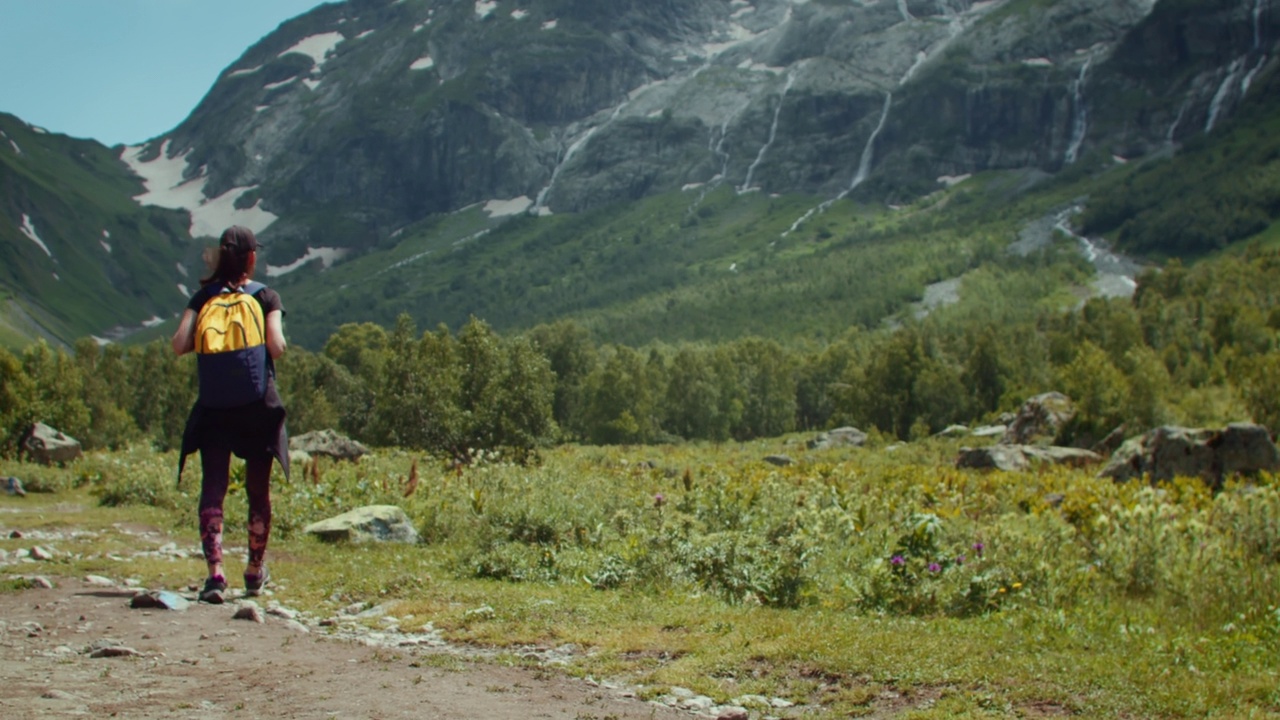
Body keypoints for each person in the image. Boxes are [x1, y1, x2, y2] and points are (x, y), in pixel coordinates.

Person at [172, 226, 289, 604]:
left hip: (215, 406)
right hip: (256, 405)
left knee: (214, 487)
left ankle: (215, 575)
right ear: (252, 257)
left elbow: (178, 345)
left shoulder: (204, 296)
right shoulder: (265, 295)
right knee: (258, 490)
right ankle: (254, 571)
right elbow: (277, 346)